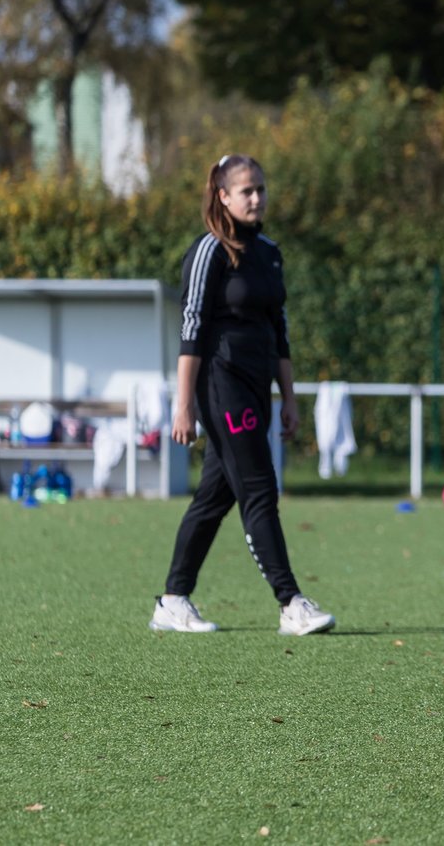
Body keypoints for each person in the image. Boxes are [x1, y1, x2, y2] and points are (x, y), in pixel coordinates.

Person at [148, 154, 336, 636]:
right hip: (219, 382)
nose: (256, 198)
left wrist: (289, 398)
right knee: (259, 488)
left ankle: (172, 599)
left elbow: (280, 330)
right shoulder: (210, 250)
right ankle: (290, 602)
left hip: (256, 386)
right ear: (223, 196)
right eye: (246, 191)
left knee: (214, 496)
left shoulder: (270, 252)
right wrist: (183, 401)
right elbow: (191, 328)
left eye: (261, 189)